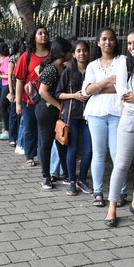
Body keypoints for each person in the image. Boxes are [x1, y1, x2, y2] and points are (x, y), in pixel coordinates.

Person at [104, 27, 134, 227]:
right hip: (130, 117)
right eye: (130, 43)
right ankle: (112, 208)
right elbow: (124, 93)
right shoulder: (124, 62)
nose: (132, 46)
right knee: (122, 164)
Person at [82, 27, 127, 207]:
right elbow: (86, 91)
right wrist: (108, 81)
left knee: (118, 154)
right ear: (98, 42)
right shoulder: (93, 65)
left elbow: (123, 87)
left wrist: (98, 88)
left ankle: (120, 192)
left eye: (111, 39)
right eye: (104, 39)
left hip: (117, 112)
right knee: (99, 154)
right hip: (96, 113)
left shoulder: (122, 61)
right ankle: (98, 191)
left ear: (115, 42)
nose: (108, 42)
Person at [56, 39, 93, 196]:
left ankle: (82, 179)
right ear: (74, 53)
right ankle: (71, 180)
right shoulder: (68, 72)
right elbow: (58, 93)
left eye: (84, 50)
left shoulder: (93, 70)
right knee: (72, 150)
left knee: (89, 150)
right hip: (72, 116)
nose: (82, 53)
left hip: (90, 117)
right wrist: (74, 96)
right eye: (78, 51)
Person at [35, 36, 73, 189]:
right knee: (47, 142)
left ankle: (66, 174)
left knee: (62, 141)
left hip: (56, 111)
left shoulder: (63, 68)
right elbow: (43, 91)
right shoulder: (52, 69)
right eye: (70, 50)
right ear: (63, 52)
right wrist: (59, 106)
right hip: (46, 110)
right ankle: (46, 176)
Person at [14, 25, 52, 167]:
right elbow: (19, 80)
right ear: (34, 37)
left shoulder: (51, 55)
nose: (43, 36)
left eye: (45, 33)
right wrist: (18, 103)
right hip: (29, 99)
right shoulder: (26, 56)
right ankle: (30, 155)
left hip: (47, 99)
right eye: (40, 33)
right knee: (30, 127)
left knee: (45, 129)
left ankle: (44, 156)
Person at [7, 37, 27, 148]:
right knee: (14, 114)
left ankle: (20, 137)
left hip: (25, 90)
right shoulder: (13, 59)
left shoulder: (27, 57)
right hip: (15, 89)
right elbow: (10, 76)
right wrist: (11, 92)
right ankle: (12, 137)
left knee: (22, 115)